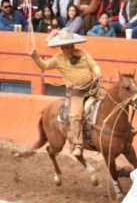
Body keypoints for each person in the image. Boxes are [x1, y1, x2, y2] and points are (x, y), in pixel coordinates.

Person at [30, 28, 102, 157]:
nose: (69, 49)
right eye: (66, 47)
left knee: (112, 100)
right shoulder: (58, 59)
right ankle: (78, 144)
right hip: (76, 93)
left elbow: (94, 65)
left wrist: (97, 72)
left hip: (92, 87)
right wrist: (36, 58)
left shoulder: (83, 53)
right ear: (61, 48)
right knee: (75, 115)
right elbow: (44, 66)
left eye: (71, 46)